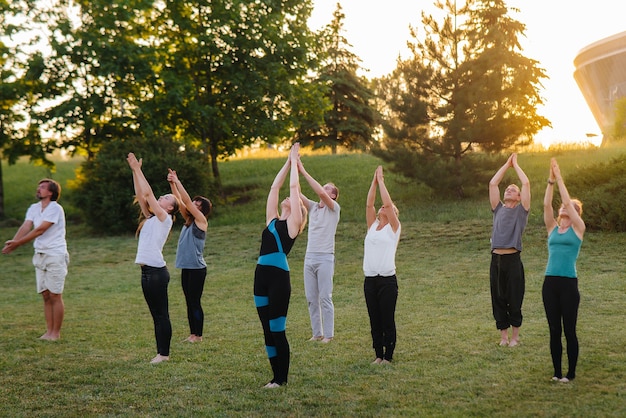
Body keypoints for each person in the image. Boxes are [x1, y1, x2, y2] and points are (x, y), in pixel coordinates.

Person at [254, 143, 307, 388]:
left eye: (294, 201)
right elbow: (275, 187)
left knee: (277, 329)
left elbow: (293, 188)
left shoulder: (294, 224)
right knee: (266, 330)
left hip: (278, 279)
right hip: (260, 276)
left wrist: (295, 162)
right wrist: (287, 162)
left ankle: (281, 379)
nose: (288, 198)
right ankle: (274, 377)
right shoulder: (271, 221)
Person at [127, 152, 180, 364]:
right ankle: (161, 353)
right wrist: (134, 171)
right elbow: (141, 195)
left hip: (157, 272)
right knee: (156, 315)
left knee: (161, 314)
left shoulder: (164, 218)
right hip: (147, 272)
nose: (161, 197)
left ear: (170, 208)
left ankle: (163, 354)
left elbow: (148, 194)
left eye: (166, 198)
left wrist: (139, 170)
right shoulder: (151, 218)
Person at [2, 179, 69, 341]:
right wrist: (13, 241)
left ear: (51, 192)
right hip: (39, 255)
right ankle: (48, 332)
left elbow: (40, 230)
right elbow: (26, 226)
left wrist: (18, 244)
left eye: (43, 187)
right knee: (45, 295)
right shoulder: (33, 208)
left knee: (55, 295)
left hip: (55, 255)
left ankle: (55, 333)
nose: (38, 189)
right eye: (38, 186)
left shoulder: (55, 209)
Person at [542, 158, 585, 383]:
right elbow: (547, 206)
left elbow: (567, 202)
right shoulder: (552, 228)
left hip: (569, 284)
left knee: (569, 330)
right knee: (553, 329)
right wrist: (550, 180)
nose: (565, 207)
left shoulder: (578, 229)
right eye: (564, 207)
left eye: (570, 207)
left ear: (576, 212)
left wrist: (559, 176)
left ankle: (571, 374)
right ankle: (557, 372)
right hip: (550, 283)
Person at [488, 153, 530, 347]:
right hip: (495, 260)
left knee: (514, 298)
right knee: (498, 298)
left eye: (514, 189)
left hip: (513, 260)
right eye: (508, 189)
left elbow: (526, 183)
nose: (510, 190)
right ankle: (503, 337)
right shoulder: (497, 209)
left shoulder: (521, 212)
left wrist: (517, 165)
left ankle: (515, 337)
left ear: (520, 197)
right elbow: (493, 184)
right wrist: (506, 164)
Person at [297, 158, 340, 343]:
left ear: (332, 196)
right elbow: (297, 192)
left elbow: (319, 192)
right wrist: (294, 167)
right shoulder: (314, 207)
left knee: (325, 297)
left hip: (325, 258)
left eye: (327, 189)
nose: (323, 189)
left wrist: (304, 171)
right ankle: (317, 333)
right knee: (311, 298)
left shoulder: (334, 209)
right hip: (309, 257)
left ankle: (328, 335)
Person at [167, 169, 212, 343]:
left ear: (202, 209)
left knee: (194, 301)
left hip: (197, 269)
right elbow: (180, 202)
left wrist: (178, 181)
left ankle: (198, 335)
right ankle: (193, 334)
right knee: (189, 301)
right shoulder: (189, 220)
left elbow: (185, 200)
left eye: (197, 203)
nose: (193, 203)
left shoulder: (201, 221)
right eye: (194, 202)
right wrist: (172, 184)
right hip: (187, 267)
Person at [364, 166, 401, 364]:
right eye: (382, 207)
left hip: (387, 281)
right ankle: (378, 355)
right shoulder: (372, 227)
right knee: (374, 320)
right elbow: (369, 205)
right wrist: (374, 181)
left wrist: (382, 182)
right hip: (370, 280)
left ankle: (388, 356)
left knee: (387, 319)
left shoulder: (394, 229)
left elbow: (386, 202)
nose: (382, 207)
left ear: (393, 212)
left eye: (387, 207)